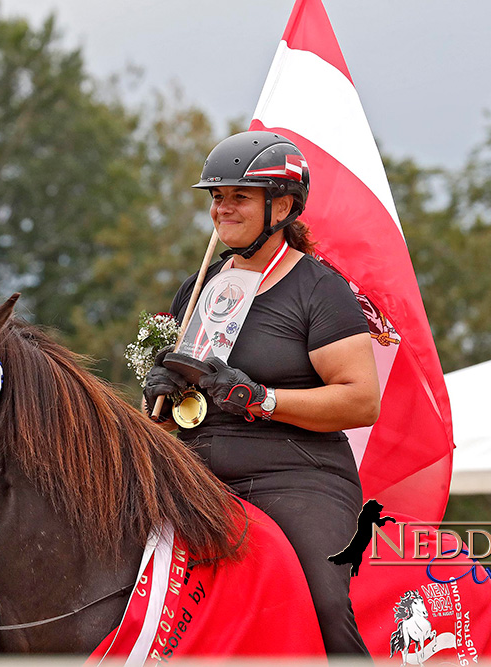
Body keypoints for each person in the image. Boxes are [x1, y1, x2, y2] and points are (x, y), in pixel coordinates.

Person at [143, 131, 381, 656]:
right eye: (216, 198)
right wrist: (155, 401)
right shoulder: (198, 285)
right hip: (194, 477)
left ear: (283, 205)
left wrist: (263, 399)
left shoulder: (320, 289)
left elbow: (362, 401)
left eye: (238, 197)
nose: (222, 210)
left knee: (323, 601)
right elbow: (171, 415)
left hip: (297, 480)